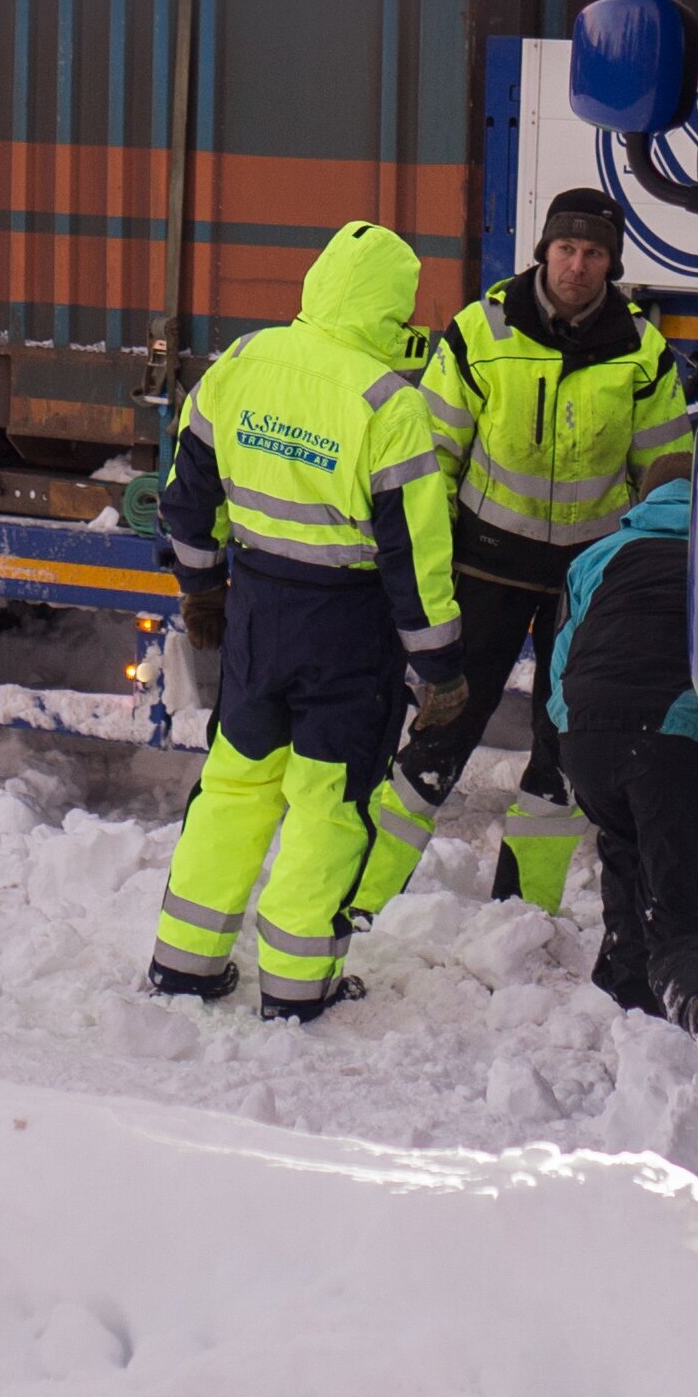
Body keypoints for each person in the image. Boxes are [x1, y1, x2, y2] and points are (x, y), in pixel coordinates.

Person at [143, 220, 465, 1022]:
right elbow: (415, 557)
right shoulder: (387, 401)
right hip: (347, 633)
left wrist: (202, 588)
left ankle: (185, 963)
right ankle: (295, 985)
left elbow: (183, 501)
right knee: (328, 803)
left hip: (256, 613)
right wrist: (441, 668)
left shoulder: (242, 364)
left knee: (234, 784)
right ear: (391, 306)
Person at [359, 188, 694, 919]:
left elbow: (667, 480)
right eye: (567, 248)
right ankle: (365, 898)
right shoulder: (479, 332)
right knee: (441, 733)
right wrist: (431, 567)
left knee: (565, 750)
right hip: (484, 572)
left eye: (595, 253)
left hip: (586, 588)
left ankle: (524, 914)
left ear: (612, 264)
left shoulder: (642, 353)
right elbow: (433, 459)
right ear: (543, 251)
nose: (578, 265)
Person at [548, 470, 698, 1025]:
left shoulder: (597, 556)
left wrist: (569, 728)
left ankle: (626, 991)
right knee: (679, 896)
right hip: (672, 741)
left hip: (586, 738)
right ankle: (696, 1013)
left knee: (625, 846)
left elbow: (561, 659)